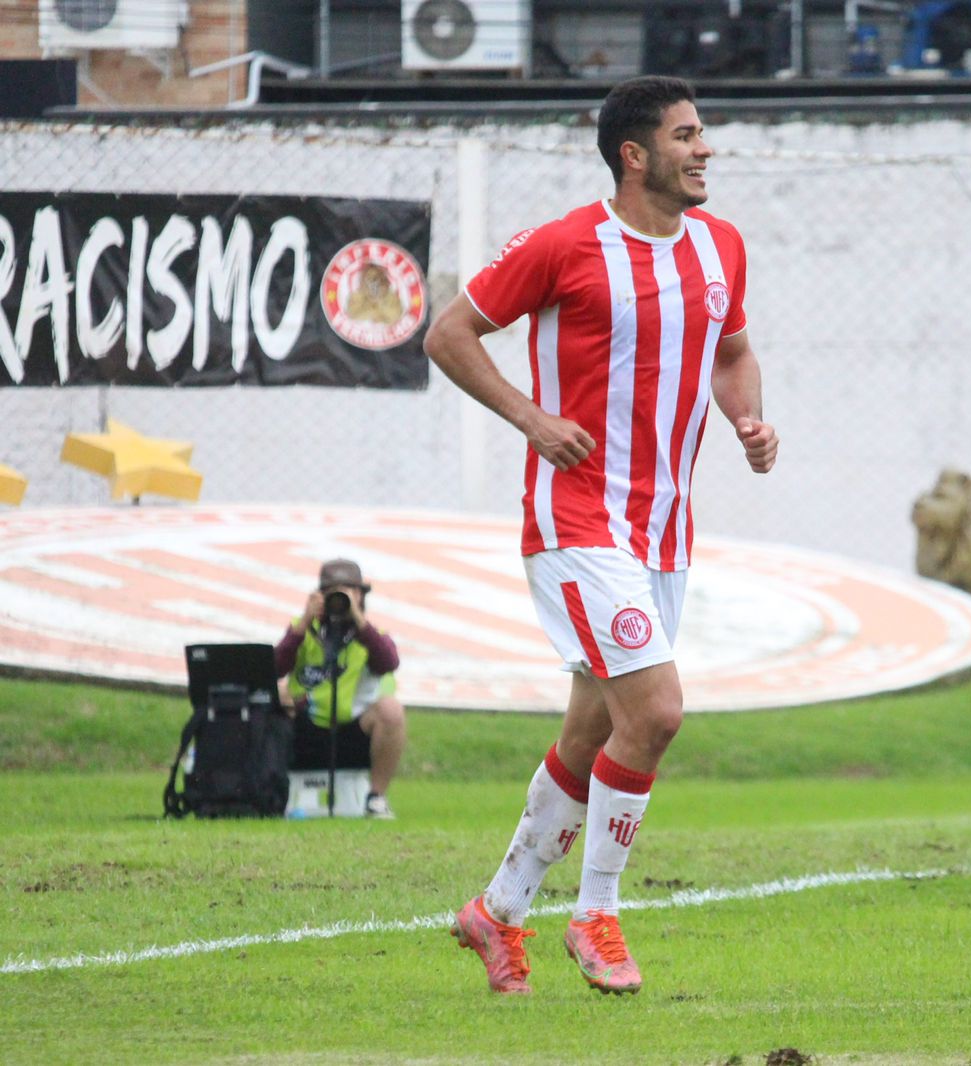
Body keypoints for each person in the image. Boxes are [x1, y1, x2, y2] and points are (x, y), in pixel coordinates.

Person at [422, 75, 778, 996]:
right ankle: (597, 914)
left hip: (664, 533)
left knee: (592, 730)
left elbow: (733, 354)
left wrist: (749, 423)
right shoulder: (564, 244)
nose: (705, 150)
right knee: (655, 715)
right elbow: (450, 334)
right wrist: (532, 419)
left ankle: (495, 913)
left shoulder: (720, 248)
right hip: (578, 521)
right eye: (687, 135)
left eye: (705, 134)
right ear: (635, 155)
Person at [274, 558, 405, 819]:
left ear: (361, 596)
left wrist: (359, 622)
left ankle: (376, 797)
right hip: (302, 725)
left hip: (351, 729)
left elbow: (389, 663)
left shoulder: (371, 634)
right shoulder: (303, 628)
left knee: (391, 710)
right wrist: (303, 625)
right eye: (333, 593)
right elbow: (275, 668)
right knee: (274, 695)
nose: (339, 601)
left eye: (347, 593)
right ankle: (269, 790)